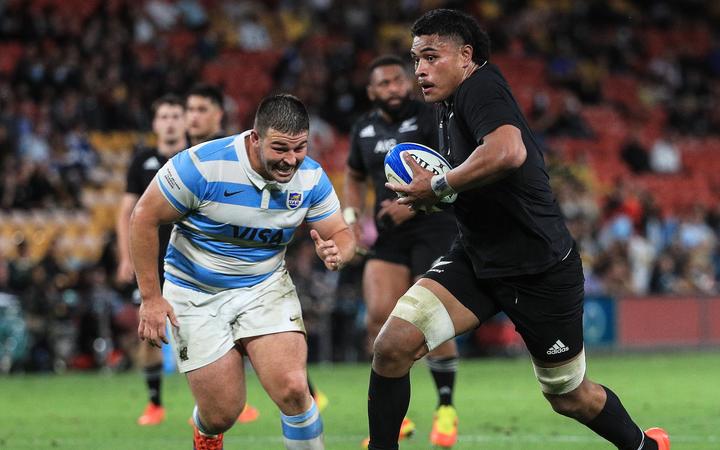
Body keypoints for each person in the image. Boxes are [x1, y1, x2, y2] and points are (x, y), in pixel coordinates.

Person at [366, 9, 670, 450]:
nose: (420, 70)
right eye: (416, 60)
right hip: (477, 257)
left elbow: (508, 152)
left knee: (569, 395)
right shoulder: (447, 106)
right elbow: (478, 181)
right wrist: (433, 198)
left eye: (431, 57)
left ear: (466, 56)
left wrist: (436, 185)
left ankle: (645, 446)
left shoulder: (481, 87)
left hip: (539, 269)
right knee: (393, 345)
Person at [130, 94, 355, 449]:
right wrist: (151, 298)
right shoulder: (201, 166)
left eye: (299, 148)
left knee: (295, 389)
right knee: (222, 412)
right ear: (255, 138)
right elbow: (143, 217)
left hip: (264, 286)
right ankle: (206, 431)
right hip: (194, 292)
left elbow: (341, 233)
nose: (291, 160)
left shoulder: (310, 177)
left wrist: (337, 251)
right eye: (280, 148)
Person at [344, 55, 460, 448]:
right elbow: (355, 173)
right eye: (384, 83)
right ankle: (398, 416)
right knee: (377, 315)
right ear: (371, 91)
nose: (393, 88)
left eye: (398, 80)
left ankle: (446, 407)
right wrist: (351, 215)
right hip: (390, 230)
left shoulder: (431, 116)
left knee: (432, 317)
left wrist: (411, 203)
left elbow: (452, 165)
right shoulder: (363, 129)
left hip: (435, 224)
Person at [115, 94, 187, 425]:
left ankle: (213, 402)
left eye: (176, 115)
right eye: (164, 116)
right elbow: (127, 210)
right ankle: (155, 403)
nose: (170, 121)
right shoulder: (142, 159)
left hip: (191, 259)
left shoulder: (194, 157)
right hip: (151, 260)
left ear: (184, 120)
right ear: (155, 123)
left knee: (203, 330)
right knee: (150, 332)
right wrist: (125, 256)